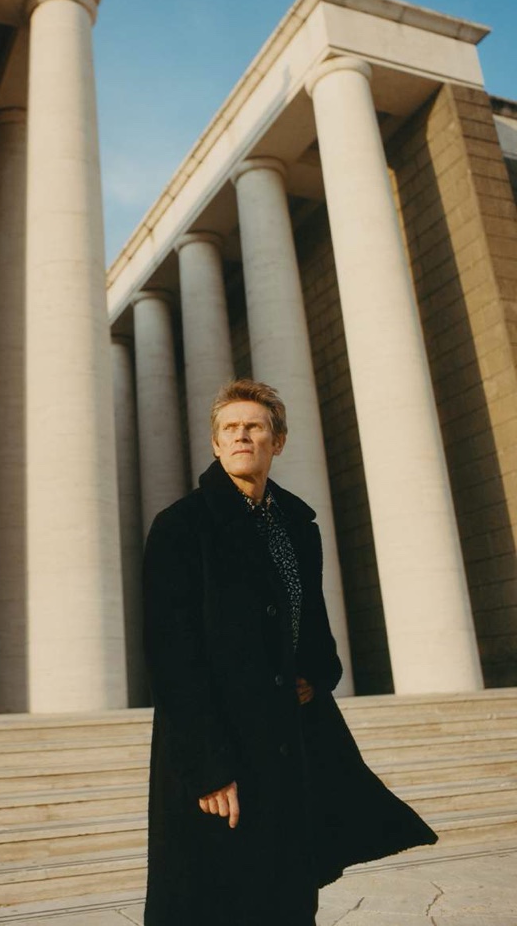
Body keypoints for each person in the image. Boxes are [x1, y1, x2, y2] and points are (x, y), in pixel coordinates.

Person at [142, 378, 437, 926]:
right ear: (214, 444)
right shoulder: (182, 527)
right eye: (229, 429)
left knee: (288, 893)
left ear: (277, 441)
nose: (240, 436)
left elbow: (310, 622)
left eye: (254, 427)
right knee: (214, 899)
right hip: (219, 749)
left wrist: (317, 672)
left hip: (287, 740)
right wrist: (206, 766)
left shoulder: (296, 526)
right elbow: (170, 655)